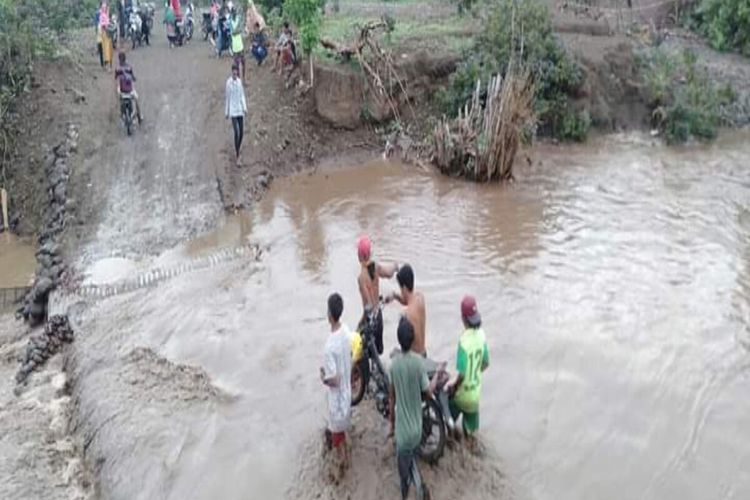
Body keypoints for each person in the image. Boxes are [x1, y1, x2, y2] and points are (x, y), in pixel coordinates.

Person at [389, 317, 432, 500]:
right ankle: (420, 487)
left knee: (403, 475)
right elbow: (428, 392)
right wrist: (435, 381)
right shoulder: (419, 363)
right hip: (417, 429)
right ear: (413, 339)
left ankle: (411, 493)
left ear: (399, 340)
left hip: (403, 434)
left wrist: (392, 426)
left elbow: (392, 400)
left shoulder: (393, 366)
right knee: (413, 458)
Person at [445, 295, 490, 438]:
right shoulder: (482, 336)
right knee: (471, 435)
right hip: (475, 396)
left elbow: (462, 374)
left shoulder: (463, 341)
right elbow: (485, 363)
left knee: (447, 415)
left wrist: (453, 388)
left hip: (462, 395)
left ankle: (452, 439)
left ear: (463, 318)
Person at [320, 293, 352, 470]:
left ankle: (343, 462)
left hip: (337, 400)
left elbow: (335, 380)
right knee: (343, 430)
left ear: (329, 314)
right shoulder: (346, 332)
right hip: (347, 395)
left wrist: (324, 378)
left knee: (337, 435)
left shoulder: (329, 347)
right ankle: (345, 455)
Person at [356, 235, 398, 355]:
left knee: (360, 352)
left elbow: (368, 306)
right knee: (378, 352)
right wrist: (395, 266)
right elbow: (389, 273)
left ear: (359, 256)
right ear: (369, 254)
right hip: (379, 317)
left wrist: (360, 325)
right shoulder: (375, 267)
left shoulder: (361, 278)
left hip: (370, 321)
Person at [388, 264, 427, 357]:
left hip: (415, 357)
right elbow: (407, 301)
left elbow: (402, 340)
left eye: (400, 288)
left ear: (404, 288)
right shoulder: (420, 297)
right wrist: (395, 296)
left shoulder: (406, 315)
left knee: (392, 355)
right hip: (424, 353)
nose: (400, 290)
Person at [225, 63, 247, 164]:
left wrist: (244, 108)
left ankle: (238, 148)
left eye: (236, 72)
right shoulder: (228, 83)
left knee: (241, 132)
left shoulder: (239, 82)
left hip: (239, 110)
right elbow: (227, 97)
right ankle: (238, 153)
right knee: (236, 132)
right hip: (233, 111)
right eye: (233, 72)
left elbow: (242, 95)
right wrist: (227, 111)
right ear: (232, 72)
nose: (235, 73)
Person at [114, 52, 143, 123]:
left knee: (118, 98)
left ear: (119, 59)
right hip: (130, 90)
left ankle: (120, 113)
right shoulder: (129, 67)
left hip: (121, 90)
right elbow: (133, 77)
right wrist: (133, 79)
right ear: (125, 58)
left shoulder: (117, 68)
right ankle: (139, 115)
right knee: (136, 99)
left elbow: (115, 78)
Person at [229, 9, 245, 79]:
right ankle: (239, 79)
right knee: (237, 64)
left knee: (243, 62)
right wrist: (238, 29)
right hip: (235, 46)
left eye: (235, 12)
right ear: (232, 13)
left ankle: (243, 79)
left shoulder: (235, 20)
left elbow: (238, 30)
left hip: (240, 45)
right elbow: (234, 33)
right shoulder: (231, 21)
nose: (235, 14)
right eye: (233, 13)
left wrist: (237, 30)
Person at [99, 2, 114, 69]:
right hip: (105, 33)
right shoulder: (101, 15)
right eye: (103, 8)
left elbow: (110, 23)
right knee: (106, 49)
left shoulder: (108, 15)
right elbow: (102, 25)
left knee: (110, 49)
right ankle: (107, 65)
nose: (104, 9)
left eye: (105, 7)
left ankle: (110, 64)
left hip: (109, 33)